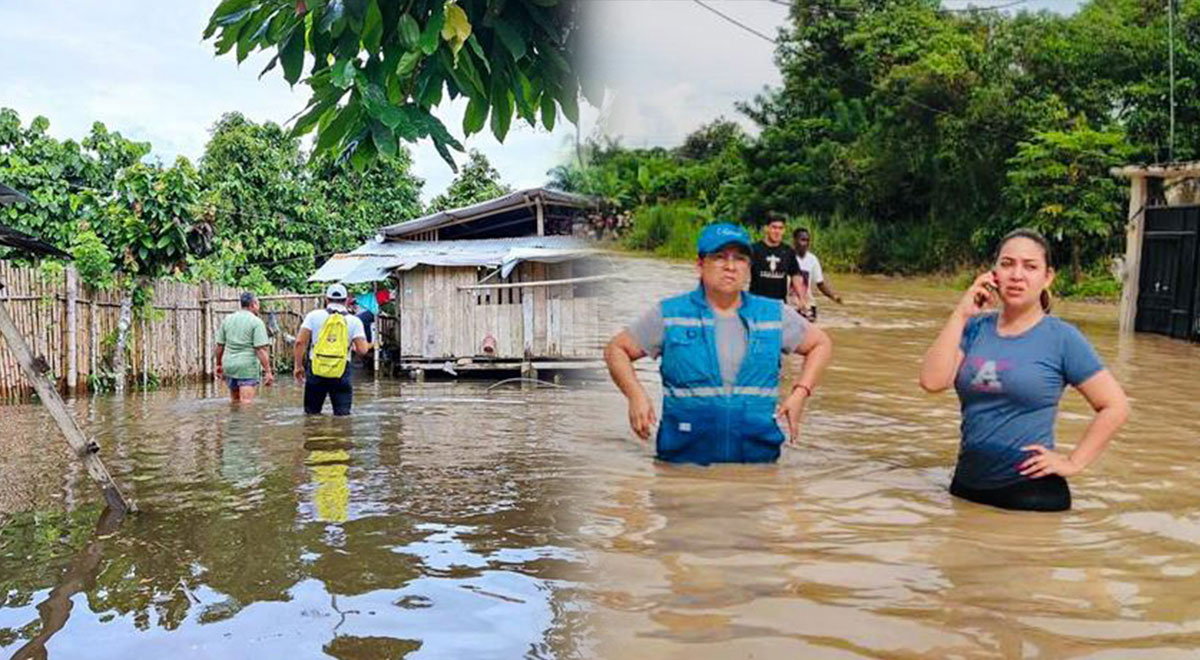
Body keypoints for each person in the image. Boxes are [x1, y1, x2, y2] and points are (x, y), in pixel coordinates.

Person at [918, 228, 1129, 511]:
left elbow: (1116, 406)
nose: (1017, 275)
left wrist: (1073, 462)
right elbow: (932, 381)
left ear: (1047, 277)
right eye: (1007, 264)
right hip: (965, 489)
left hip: (1031, 498)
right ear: (993, 274)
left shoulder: (1063, 338)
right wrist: (961, 313)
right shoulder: (972, 329)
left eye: (1030, 267)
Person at [605, 222, 834, 464]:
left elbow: (821, 344)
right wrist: (635, 395)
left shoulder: (773, 314)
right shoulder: (670, 314)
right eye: (719, 257)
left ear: (748, 268)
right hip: (682, 468)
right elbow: (616, 349)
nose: (730, 267)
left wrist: (800, 392)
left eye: (740, 259)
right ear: (700, 264)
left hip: (758, 469)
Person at [293, 284, 370, 416]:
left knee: (311, 415)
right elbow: (362, 350)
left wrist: (298, 367)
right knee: (342, 417)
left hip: (316, 370)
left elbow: (300, 342)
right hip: (341, 371)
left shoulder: (313, 316)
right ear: (346, 300)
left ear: (326, 299)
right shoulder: (354, 321)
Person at [214, 291, 274, 402]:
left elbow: (219, 346)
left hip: (229, 365)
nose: (259, 306)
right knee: (246, 403)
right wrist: (268, 371)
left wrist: (218, 364)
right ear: (253, 304)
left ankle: (233, 420)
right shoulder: (256, 322)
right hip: (247, 367)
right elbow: (260, 349)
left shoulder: (228, 319)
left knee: (235, 402)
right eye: (258, 303)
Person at [749, 213, 805, 304]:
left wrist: (802, 299)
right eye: (774, 227)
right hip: (756, 303)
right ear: (766, 229)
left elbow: (795, 275)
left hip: (779, 304)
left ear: (784, 230)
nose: (777, 231)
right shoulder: (754, 249)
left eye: (780, 228)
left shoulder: (788, 251)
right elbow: (741, 272)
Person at [792, 227, 844, 321]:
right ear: (794, 241)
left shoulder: (813, 260)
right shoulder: (787, 257)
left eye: (808, 240)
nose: (806, 243)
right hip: (791, 306)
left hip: (808, 305)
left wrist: (834, 297)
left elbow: (820, 284)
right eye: (802, 240)